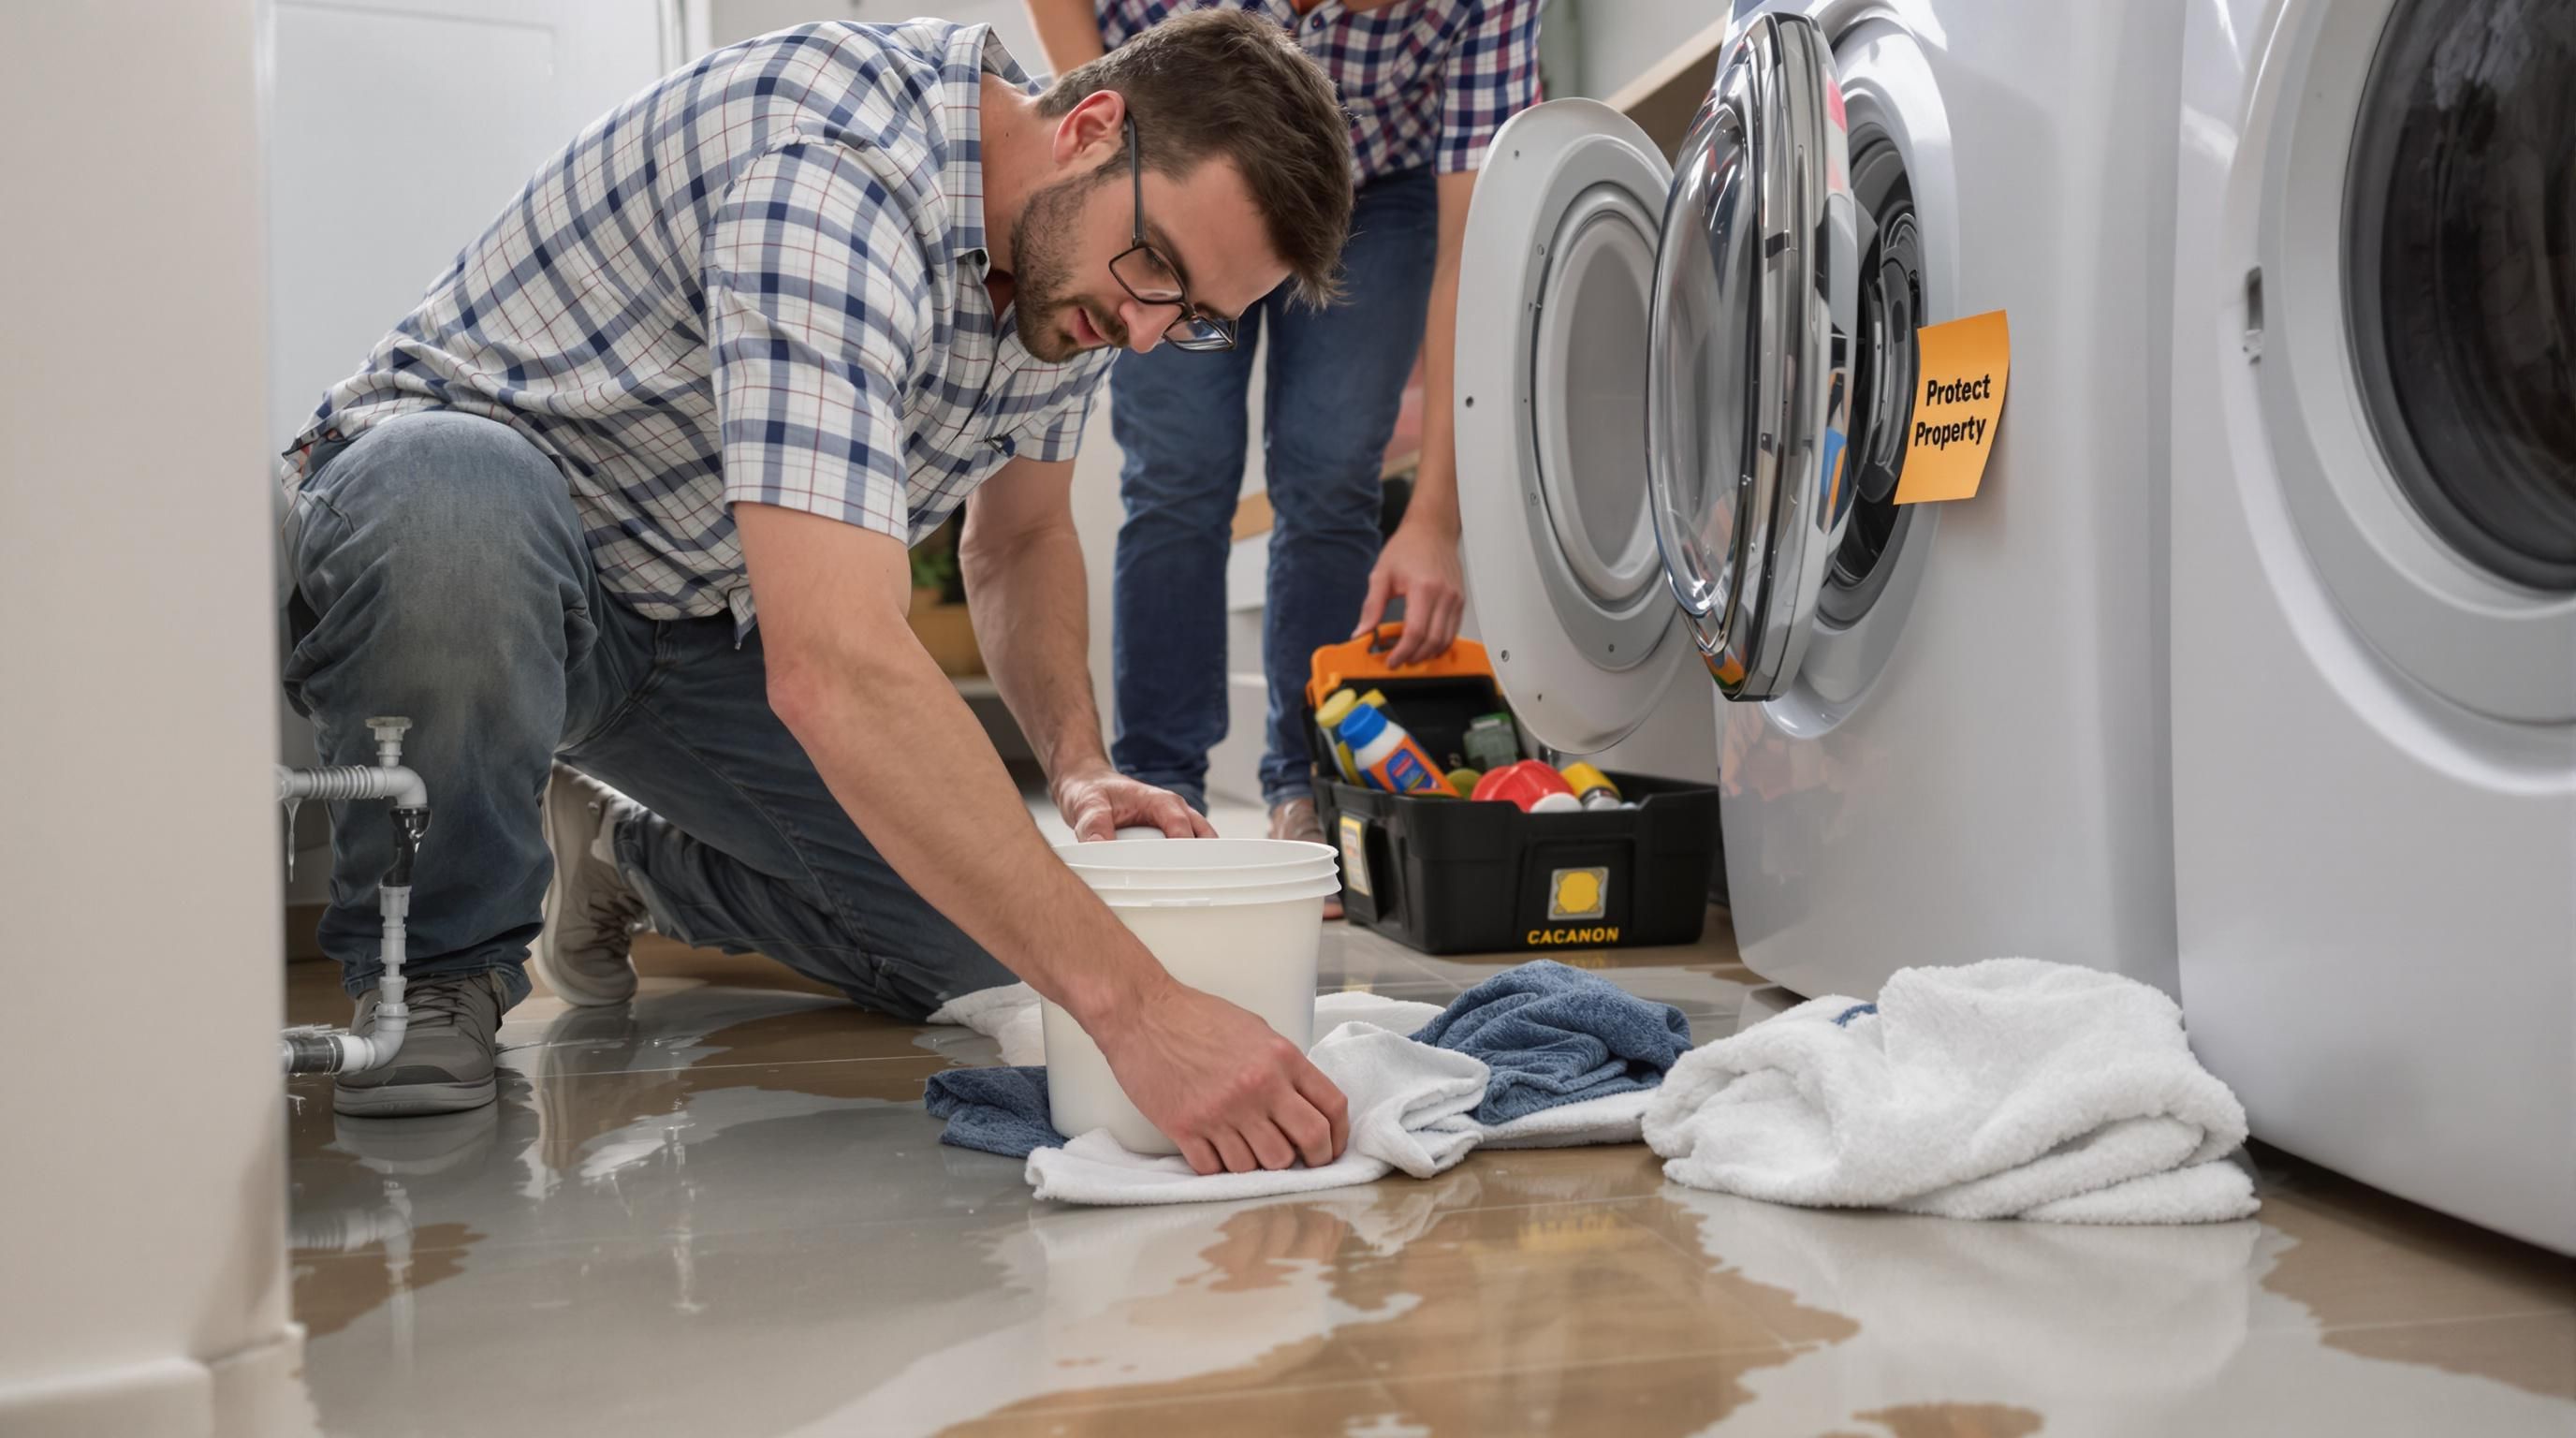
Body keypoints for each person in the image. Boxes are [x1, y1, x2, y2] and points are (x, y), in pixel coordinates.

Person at [277, 11, 1360, 1179]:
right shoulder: (835, 171)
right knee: (456, 506)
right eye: (1158, 275)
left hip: (694, 619)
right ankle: (436, 971)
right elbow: (834, 661)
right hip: (475, 543)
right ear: (1092, 128)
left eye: (1191, 321)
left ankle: (628, 860)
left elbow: (1023, 538)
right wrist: (1142, 1013)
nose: (1146, 335)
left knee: (993, 935)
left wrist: (1079, 765)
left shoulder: (1076, 260)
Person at [1024, 0, 1542, 880]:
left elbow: (1468, 256)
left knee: (1333, 470)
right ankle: (1156, 786)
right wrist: (1116, 134)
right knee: (1179, 473)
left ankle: (1310, 788)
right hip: (1180, 154)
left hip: (1375, 190)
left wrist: (1433, 520)